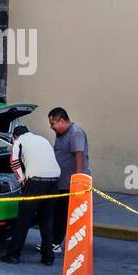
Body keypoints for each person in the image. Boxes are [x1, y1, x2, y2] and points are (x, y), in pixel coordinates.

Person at [1, 124, 62, 265]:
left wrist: (22, 180)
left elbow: (14, 162)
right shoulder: (42, 139)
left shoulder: (19, 141)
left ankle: (13, 255)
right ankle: (48, 257)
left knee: (23, 220)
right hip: (54, 182)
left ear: (15, 136)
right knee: (47, 220)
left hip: (36, 182)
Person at [48, 107, 90, 255]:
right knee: (56, 212)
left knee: (62, 215)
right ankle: (52, 242)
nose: (51, 127)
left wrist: (77, 181)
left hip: (70, 184)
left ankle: (56, 244)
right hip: (60, 182)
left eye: (53, 123)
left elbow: (79, 155)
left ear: (61, 120)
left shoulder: (75, 132)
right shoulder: (61, 134)